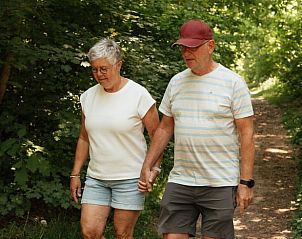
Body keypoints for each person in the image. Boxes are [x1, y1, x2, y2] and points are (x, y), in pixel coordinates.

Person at [139, 19, 255, 239]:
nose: (186, 53)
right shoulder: (176, 83)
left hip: (219, 181)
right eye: (183, 47)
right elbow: (164, 128)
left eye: (192, 47)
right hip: (181, 180)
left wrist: (246, 182)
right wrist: (148, 165)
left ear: (210, 46)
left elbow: (247, 134)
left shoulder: (233, 83)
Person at [70, 38, 161, 239]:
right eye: (94, 70)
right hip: (96, 178)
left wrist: (153, 170)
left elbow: (157, 137)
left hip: (131, 178)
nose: (99, 75)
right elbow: (84, 137)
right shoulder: (88, 97)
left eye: (104, 69)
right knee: (90, 232)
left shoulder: (138, 95)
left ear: (118, 65)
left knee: (122, 234)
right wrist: (75, 174)